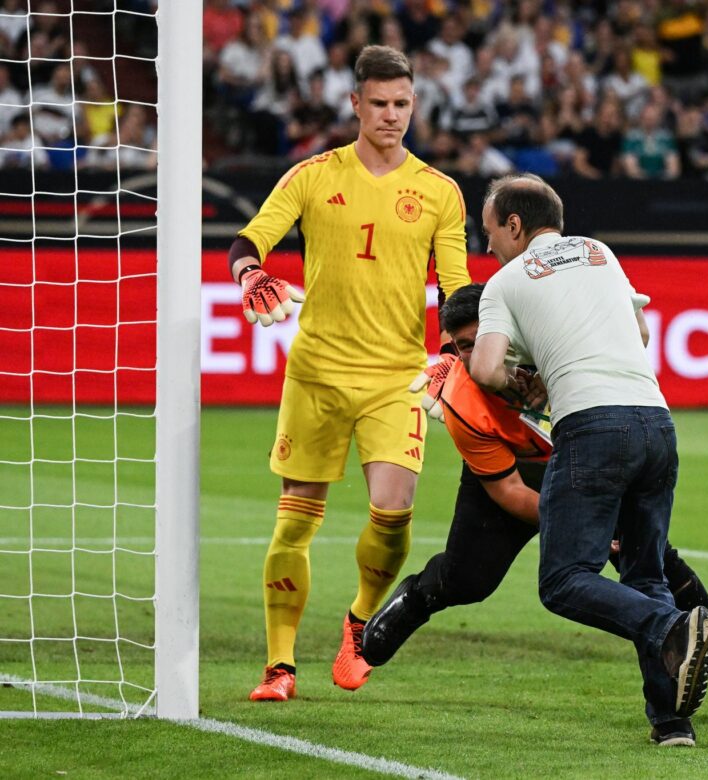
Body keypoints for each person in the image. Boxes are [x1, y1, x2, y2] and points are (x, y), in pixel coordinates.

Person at [362, 284, 708, 727]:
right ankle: (417, 596)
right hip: (512, 470)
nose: (474, 356)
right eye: (461, 347)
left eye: (480, 342)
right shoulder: (463, 402)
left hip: (584, 460)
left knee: (655, 563)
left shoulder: (561, 357)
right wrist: (584, 527)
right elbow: (508, 493)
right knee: (469, 580)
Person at [229, 45, 471, 703]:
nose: (391, 116)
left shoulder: (439, 192)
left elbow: (457, 287)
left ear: (413, 105)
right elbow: (250, 240)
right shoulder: (311, 176)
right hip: (316, 375)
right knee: (294, 524)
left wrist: (453, 349)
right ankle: (279, 667)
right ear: (355, 104)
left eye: (402, 104)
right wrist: (250, 273)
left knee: (395, 512)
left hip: (396, 378)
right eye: (380, 104)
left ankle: (358, 621)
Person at [465, 174, 708, 747]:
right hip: (656, 421)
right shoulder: (601, 253)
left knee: (563, 580)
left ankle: (670, 627)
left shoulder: (504, 282)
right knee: (646, 574)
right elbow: (642, 331)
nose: (488, 246)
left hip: (592, 426)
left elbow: (482, 368)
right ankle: (671, 721)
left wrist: (524, 382)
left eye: (490, 232)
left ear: (516, 225)